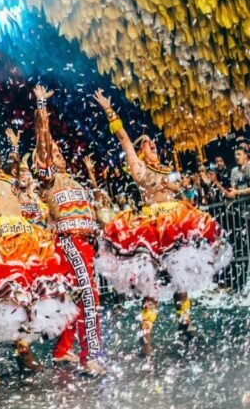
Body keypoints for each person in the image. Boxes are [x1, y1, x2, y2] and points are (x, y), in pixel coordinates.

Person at [0, 85, 77, 380]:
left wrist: (37, 114)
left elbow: (21, 165)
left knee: (27, 296)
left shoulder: (8, 180)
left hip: (25, 238)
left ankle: (24, 349)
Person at [93, 90, 232, 356]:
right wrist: (110, 112)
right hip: (152, 229)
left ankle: (185, 323)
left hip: (176, 222)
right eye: (145, 144)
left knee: (180, 278)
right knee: (153, 284)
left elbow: (179, 191)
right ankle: (145, 335)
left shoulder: (165, 170)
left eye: (151, 143)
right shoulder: (139, 167)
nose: (150, 144)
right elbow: (124, 139)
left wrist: (182, 195)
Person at [30, 86, 106, 376]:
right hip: (68, 242)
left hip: (85, 243)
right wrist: (41, 109)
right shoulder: (49, 179)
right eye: (53, 152)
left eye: (60, 151)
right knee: (88, 296)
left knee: (75, 297)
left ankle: (63, 350)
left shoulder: (73, 182)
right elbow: (43, 144)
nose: (57, 153)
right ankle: (90, 357)